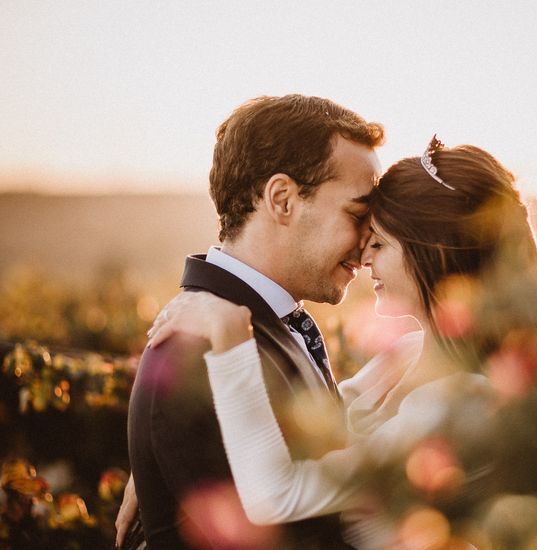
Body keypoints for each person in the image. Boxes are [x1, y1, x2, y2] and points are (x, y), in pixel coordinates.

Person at [130, 138, 537, 548]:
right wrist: (164, 458)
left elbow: (278, 495)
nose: (364, 257)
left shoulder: (461, 399)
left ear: (436, 253)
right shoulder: (406, 355)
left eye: (381, 243)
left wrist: (229, 339)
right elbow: (311, 424)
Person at [121, 94, 384, 549]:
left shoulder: (273, 323)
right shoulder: (198, 354)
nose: (368, 242)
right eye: (358, 215)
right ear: (282, 199)